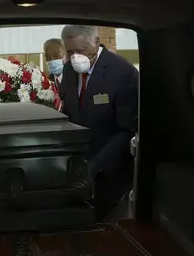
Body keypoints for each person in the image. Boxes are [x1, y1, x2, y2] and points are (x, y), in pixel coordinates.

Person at [59, 25, 138, 221]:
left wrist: (96, 165)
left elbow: (127, 129)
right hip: (77, 171)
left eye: (80, 51)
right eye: (70, 52)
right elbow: (70, 113)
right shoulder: (69, 69)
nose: (75, 57)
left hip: (112, 173)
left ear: (96, 42)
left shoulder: (122, 73)